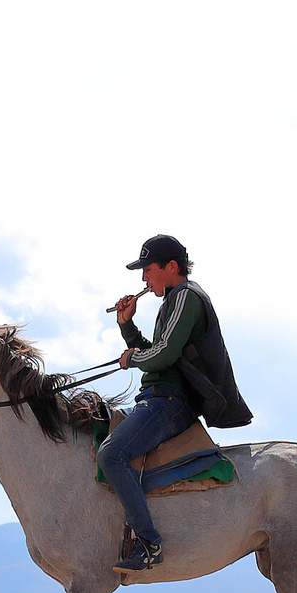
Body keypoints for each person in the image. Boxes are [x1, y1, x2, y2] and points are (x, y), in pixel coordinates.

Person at [103, 234, 253, 573]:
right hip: (158, 396)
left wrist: (134, 357)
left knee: (111, 454)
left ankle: (149, 543)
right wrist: (127, 327)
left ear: (172, 267)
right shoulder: (172, 301)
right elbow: (161, 357)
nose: (144, 278)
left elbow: (163, 354)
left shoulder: (186, 297)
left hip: (169, 401)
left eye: (148, 269)